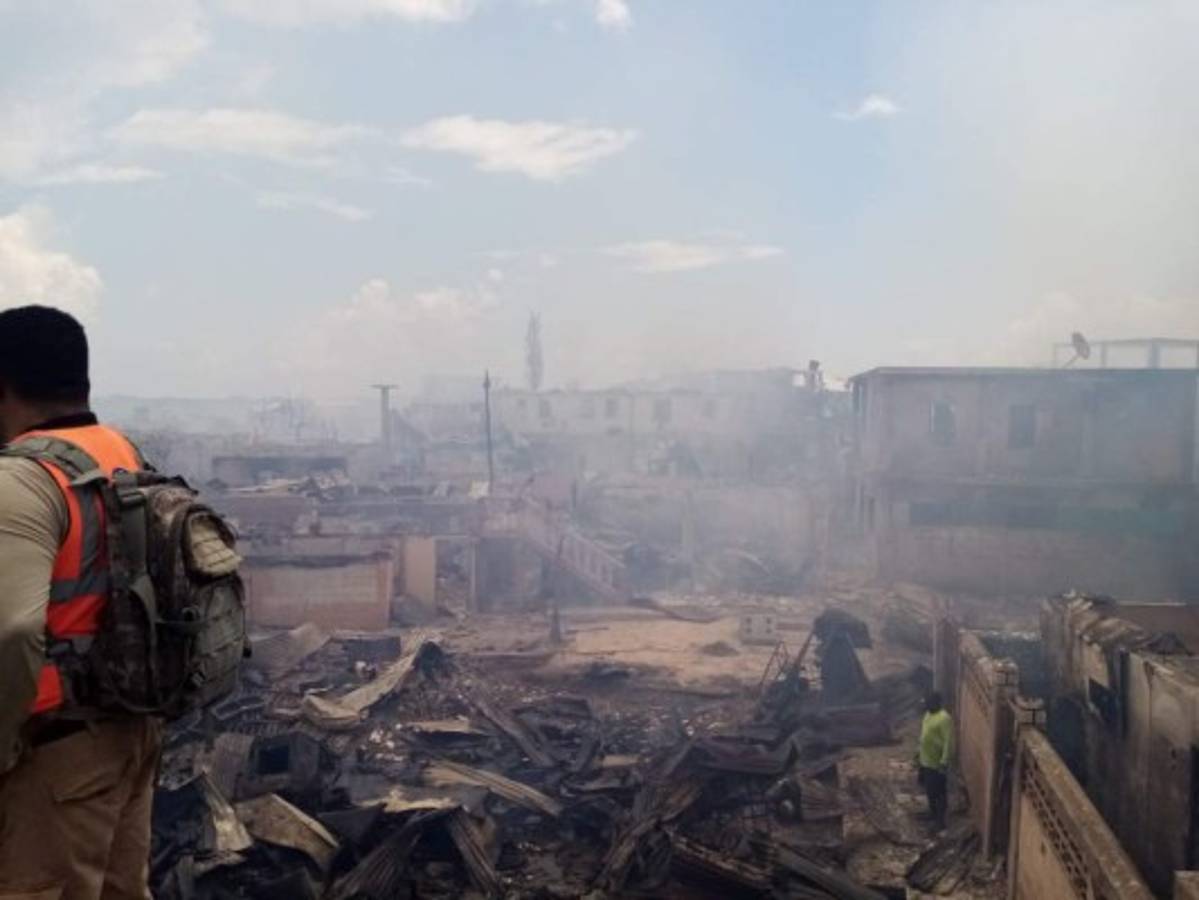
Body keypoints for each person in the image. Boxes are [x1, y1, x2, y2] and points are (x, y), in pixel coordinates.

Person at [0, 305, 160, 900]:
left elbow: (12, 631)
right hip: (129, 732)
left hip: (56, 752)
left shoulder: (23, 478)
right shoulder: (120, 453)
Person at [917, 690, 952, 832]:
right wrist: (918, 754)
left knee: (938, 792)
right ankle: (932, 813)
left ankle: (940, 821)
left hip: (936, 763)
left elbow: (949, 742)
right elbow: (924, 734)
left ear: (936, 703)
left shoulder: (944, 718)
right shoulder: (928, 714)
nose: (925, 705)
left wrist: (944, 762)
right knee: (929, 790)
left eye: (928, 703)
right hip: (925, 760)